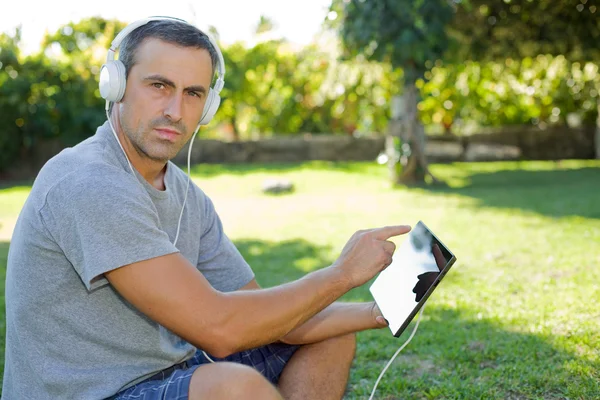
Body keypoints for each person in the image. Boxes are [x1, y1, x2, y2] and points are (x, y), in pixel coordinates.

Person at [2, 17, 411, 400]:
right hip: (93, 392)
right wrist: (340, 275)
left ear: (208, 106)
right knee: (231, 387)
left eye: (193, 93)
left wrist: (378, 312)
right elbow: (219, 328)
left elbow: (269, 315)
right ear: (116, 85)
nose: (175, 111)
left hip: (164, 372)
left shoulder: (184, 194)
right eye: (159, 85)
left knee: (330, 336)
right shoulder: (89, 182)